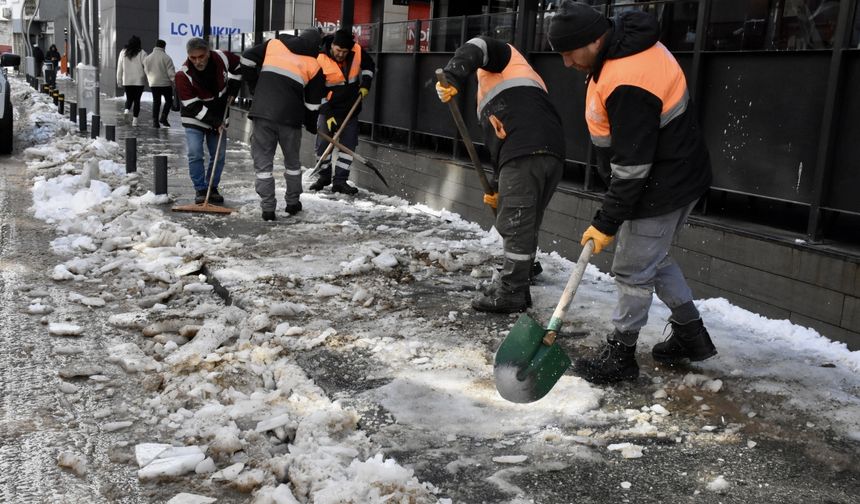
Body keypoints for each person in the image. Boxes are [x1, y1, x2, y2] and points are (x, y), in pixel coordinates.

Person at [547, 0, 716, 384]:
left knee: (631, 270)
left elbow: (633, 166)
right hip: (675, 173)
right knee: (651, 260)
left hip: (662, 182)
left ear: (592, 41)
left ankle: (620, 355)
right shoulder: (624, 46)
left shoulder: (627, 79)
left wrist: (607, 220)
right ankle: (692, 337)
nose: (566, 64)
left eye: (569, 54)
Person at [435, 36, 566, 313]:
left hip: (526, 152)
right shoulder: (520, 85)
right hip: (548, 152)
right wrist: (498, 186)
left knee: (515, 225)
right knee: (525, 222)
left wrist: (452, 75)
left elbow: (478, 45)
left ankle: (512, 293)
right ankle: (523, 273)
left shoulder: (504, 58)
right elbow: (504, 136)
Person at [241, 29, 325, 221]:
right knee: (292, 163)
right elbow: (312, 105)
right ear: (316, 47)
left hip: (262, 114)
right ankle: (293, 203)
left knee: (263, 164)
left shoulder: (274, 44)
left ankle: (268, 208)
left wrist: (254, 86)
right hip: (291, 119)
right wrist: (311, 124)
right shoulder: (314, 65)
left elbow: (246, 59)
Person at [308, 28, 376, 195]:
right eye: (338, 51)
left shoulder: (357, 50)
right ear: (332, 45)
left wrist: (366, 84)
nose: (341, 54)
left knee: (348, 146)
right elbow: (317, 91)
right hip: (328, 108)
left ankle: (340, 181)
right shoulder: (320, 58)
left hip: (351, 107)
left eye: (344, 52)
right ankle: (324, 177)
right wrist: (328, 115)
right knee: (323, 146)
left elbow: (369, 66)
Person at [175, 37, 242, 204]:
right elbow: (192, 106)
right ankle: (200, 189)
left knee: (218, 154)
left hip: (219, 113)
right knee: (195, 152)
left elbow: (241, 66)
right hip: (194, 116)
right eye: (193, 58)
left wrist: (234, 86)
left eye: (201, 56)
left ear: (209, 52)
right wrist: (215, 122)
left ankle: (212, 188)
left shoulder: (222, 58)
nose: (197, 61)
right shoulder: (183, 75)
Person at [144, 39, 176, 128]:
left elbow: (146, 71)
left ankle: (155, 122)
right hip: (165, 84)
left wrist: (150, 80)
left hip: (154, 84)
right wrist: (174, 81)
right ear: (164, 47)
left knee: (156, 102)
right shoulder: (167, 58)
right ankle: (163, 117)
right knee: (169, 101)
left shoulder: (147, 58)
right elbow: (171, 73)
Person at [116, 35, 148, 126]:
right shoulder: (142, 53)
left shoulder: (123, 52)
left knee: (129, 98)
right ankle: (135, 121)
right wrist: (149, 78)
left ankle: (126, 111)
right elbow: (147, 67)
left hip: (127, 80)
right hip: (139, 81)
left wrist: (119, 80)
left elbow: (119, 68)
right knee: (137, 100)